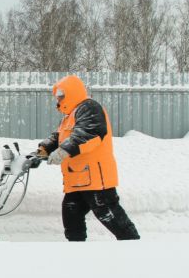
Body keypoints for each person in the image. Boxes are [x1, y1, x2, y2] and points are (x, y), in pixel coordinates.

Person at [37, 74, 140, 241]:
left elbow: (88, 133)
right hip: (79, 179)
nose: (59, 99)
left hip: (96, 179)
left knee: (110, 216)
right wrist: (43, 149)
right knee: (71, 216)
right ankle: (78, 250)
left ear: (72, 92)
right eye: (57, 96)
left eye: (62, 95)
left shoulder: (89, 107)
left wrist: (64, 151)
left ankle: (134, 246)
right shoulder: (69, 116)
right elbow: (59, 137)